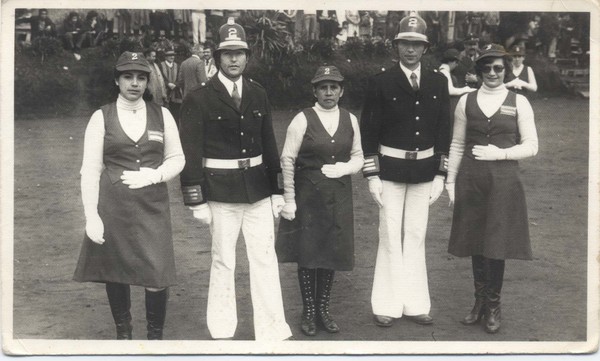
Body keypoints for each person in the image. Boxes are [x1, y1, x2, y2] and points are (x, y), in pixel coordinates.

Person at [178, 18, 292, 341]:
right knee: (223, 260)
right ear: (216, 57)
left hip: (257, 190)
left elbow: (269, 144)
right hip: (219, 191)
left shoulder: (258, 93)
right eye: (227, 53)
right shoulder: (199, 98)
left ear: (247, 56)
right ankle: (222, 328)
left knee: (265, 259)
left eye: (239, 52)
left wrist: (277, 190)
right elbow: (191, 150)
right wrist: (195, 198)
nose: (233, 59)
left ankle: (272, 328)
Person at [73, 51, 185, 340]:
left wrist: (155, 174)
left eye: (141, 77)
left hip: (152, 205)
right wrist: (91, 215)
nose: (135, 83)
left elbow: (177, 158)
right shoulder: (102, 116)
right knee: (116, 270)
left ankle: (155, 337)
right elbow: (90, 168)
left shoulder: (163, 114)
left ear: (148, 82)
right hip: (114, 206)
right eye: (128, 76)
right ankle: (124, 332)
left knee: (157, 273)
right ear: (117, 80)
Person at [360, 14, 450, 328]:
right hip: (390, 168)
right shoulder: (380, 81)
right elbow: (367, 130)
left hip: (424, 169)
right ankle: (386, 303)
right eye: (404, 44)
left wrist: (441, 173)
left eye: (416, 44)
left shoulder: (439, 81)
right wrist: (371, 173)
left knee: (415, 234)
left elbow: (444, 130)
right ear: (397, 45)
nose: (410, 50)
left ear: (425, 48)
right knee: (388, 234)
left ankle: (415, 303)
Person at [445, 43, 538, 334]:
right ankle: (479, 303)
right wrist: (450, 181)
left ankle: (494, 306)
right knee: (475, 240)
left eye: (498, 67)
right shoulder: (466, 101)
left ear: (506, 69)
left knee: (496, 242)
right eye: (486, 67)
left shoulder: (518, 101)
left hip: (504, 180)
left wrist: (501, 153)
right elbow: (458, 144)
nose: (493, 72)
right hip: (471, 179)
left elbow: (532, 146)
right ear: (479, 70)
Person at [276, 66, 364, 336]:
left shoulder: (350, 119)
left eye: (334, 87)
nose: (328, 92)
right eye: (323, 87)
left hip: (338, 194)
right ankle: (309, 310)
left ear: (341, 91)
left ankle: (324, 309)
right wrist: (289, 199)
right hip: (308, 195)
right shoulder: (303, 119)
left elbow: (359, 156)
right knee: (309, 251)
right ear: (315, 91)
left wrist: (346, 169)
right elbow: (287, 159)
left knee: (331, 250)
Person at [439, 48, 477, 129]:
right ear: (452, 61)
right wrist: (467, 89)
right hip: (448, 107)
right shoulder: (444, 71)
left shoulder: (444, 71)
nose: (457, 65)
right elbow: (450, 90)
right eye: (457, 62)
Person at [160, 49, 183, 124]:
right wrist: (167, 84)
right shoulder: (160, 65)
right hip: (164, 93)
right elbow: (160, 77)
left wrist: (175, 84)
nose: (172, 57)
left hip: (176, 94)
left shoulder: (178, 66)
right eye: (170, 55)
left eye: (173, 55)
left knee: (175, 115)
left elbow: (181, 79)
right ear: (165, 57)